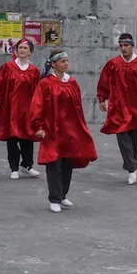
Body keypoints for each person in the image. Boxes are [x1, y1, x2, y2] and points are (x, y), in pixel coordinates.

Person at [30, 50, 99, 213]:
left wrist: (81, 127)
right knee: (54, 163)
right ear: (53, 64)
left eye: (67, 61)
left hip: (70, 129)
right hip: (52, 129)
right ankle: (54, 198)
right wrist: (38, 126)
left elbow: (78, 108)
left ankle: (62, 195)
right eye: (62, 61)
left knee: (67, 163)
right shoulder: (45, 84)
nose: (66, 64)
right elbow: (37, 106)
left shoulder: (72, 82)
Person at [97, 33, 137, 184]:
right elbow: (104, 82)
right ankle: (132, 168)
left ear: (132, 46)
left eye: (126, 45)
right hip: (118, 106)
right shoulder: (113, 64)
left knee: (134, 137)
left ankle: (131, 164)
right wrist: (102, 98)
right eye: (121, 45)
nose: (123, 48)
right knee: (122, 134)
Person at [0, 39, 42, 179]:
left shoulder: (34, 71)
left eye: (25, 48)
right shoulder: (7, 67)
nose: (22, 50)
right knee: (12, 138)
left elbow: (38, 91)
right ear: (16, 50)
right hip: (10, 108)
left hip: (27, 109)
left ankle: (27, 165)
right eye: (20, 48)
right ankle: (14, 168)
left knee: (27, 138)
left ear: (30, 52)